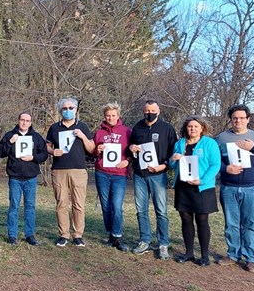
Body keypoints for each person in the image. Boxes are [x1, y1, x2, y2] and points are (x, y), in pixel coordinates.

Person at [215, 104, 254, 273]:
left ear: (248, 119)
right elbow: (213, 161)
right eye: (235, 118)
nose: (238, 121)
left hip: (251, 188)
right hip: (229, 187)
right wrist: (225, 169)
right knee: (231, 224)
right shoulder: (221, 138)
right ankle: (233, 254)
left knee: (250, 223)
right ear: (230, 120)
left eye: (242, 118)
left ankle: (251, 258)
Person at [128, 100, 177, 259]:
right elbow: (130, 147)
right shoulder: (137, 127)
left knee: (161, 211)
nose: (150, 113)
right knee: (141, 210)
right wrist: (131, 148)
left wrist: (163, 166)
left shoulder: (167, 129)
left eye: (152, 110)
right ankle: (145, 240)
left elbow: (173, 153)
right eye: (147, 110)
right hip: (140, 175)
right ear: (143, 111)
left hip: (158, 175)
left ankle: (163, 243)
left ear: (159, 111)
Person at [169, 116, 221, 267]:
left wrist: (202, 180)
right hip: (183, 187)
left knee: (202, 220)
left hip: (201, 187)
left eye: (195, 126)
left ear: (202, 128)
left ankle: (204, 255)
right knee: (185, 219)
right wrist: (174, 159)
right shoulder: (180, 144)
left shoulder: (209, 143)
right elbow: (172, 165)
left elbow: (215, 164)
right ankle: (189, 252)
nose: (192, 129)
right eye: (190, 126)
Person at [46, 98, 94, 247]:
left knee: (78, 204)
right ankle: (64, 235)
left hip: (78, 170)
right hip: (59, 170)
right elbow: (47, 146)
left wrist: (82, 136)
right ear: (61, 111)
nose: (68, 110)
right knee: (61, 203)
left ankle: (78, 235)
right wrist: (53, 151)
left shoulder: (83, 127)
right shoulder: (54, 128)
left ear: (76, 110)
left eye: (71, 108)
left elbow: (92, 148)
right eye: (65, 108)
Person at [0, 112, 48, 246]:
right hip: (15, 177)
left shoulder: (36, 137)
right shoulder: (10, 135)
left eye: (27, 121)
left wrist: (34, 158)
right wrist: (10, 142)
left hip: (31, 178)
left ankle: (29, 234)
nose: (24, 123)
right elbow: (0, 152)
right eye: (22, 120)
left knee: (30, 206)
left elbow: (44, 154)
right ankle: (12, 235)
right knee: (14, 206)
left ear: (31, 122)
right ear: (18, 120)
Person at [92, 103, 132, 252]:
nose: (110, 118)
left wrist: (127, 161)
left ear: (118, 115)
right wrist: (98, 149)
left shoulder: (127, 131)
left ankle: (118, 236)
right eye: (108, 115)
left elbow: (132, 151)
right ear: (104, 116)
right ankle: (110, 234)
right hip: (102, 172)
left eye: (113, 115)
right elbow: (92, 152)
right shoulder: (99, 132)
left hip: (119, 174)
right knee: (105, 205)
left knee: (116, 205)